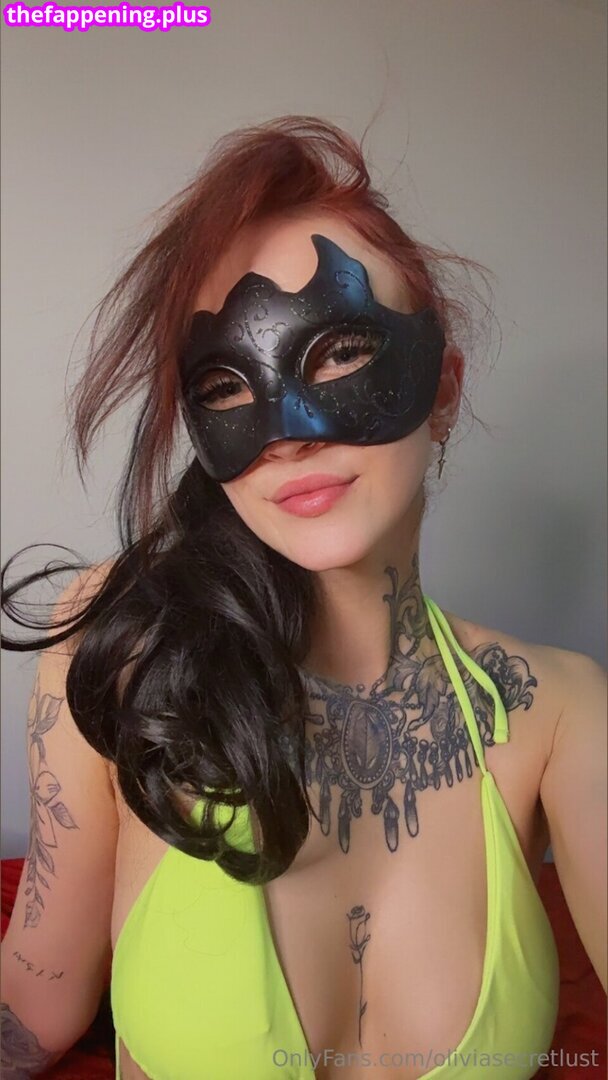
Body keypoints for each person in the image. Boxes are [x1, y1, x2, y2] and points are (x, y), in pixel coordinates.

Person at [1, 116, 606, 1080]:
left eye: (340, 354)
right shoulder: (121, 654)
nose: (287, 433)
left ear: (444, 387)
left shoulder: (556, 710)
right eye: (225, 383)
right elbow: (35, 1004)